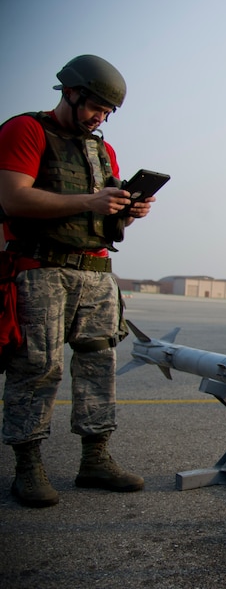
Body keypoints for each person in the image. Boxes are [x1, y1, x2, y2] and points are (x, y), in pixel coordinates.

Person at [0, 55, 154, 508]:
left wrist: (127, 209)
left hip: (95, 272)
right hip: (40, 267)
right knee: (37, 368)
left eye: (108, 113)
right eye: (96, 107)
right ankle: (27, 467)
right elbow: (13, 198)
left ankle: (95, 459)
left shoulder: (100, 149)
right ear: (71, 92)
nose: (100, 118)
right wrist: (91, 200)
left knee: (98, 365)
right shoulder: (26, 130)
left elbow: (101, 211)